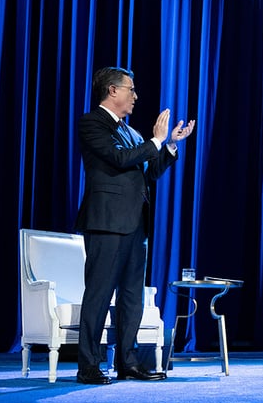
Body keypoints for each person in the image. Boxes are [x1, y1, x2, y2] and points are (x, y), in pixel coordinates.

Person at [74, 67, 195, 384]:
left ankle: (128, 363)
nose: (136, 96)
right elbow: (119, 159)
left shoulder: (131, 132)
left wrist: (169, 146)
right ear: (112, 91)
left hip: (136, 225)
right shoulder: (92, 123)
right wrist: (155, 140)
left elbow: (149, 171)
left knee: (132, 297)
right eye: (131, 89)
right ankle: (88, 365)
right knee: (99, 294)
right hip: (106, 222)